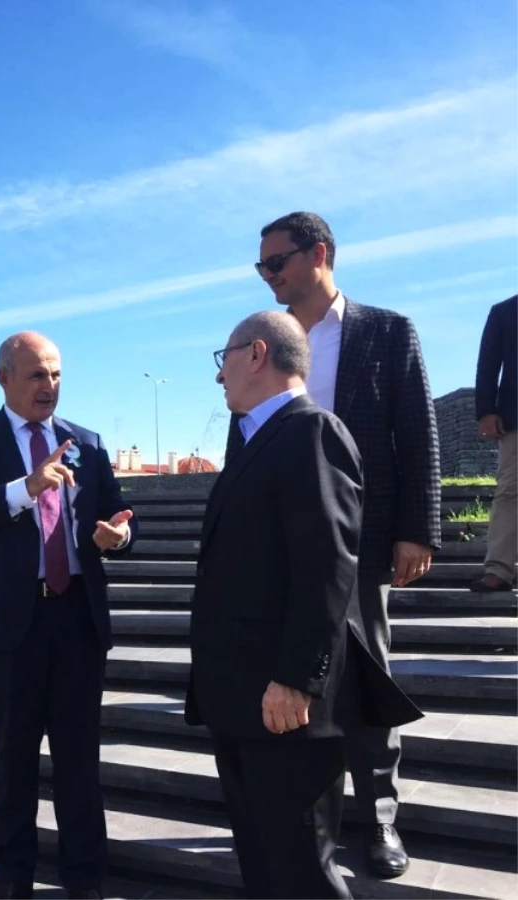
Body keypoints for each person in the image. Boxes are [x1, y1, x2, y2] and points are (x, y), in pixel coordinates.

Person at [225, 212, 440, 878]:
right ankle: (310, 821)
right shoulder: (267, 342)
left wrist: (416, 529)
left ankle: (378, 821)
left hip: (365, 540)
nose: (268, 276)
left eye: (277, 262)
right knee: (295, 678)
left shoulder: (384, 331)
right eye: (261, 266)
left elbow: (418, 432)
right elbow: (245, 438)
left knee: (366, 680)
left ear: (319, 254)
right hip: (279, 548)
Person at [192, 310, 423, 900]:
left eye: (224, 360)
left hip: (286, 703)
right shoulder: (255, 438)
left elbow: (327, 566)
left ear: (256, 354)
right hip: (243, 697)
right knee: (264, 862)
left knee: (301, 871)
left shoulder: (311, 431)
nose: (219, 378)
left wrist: (297, 678)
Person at [0, 331, 136, 900]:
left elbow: (119, 514)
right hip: (11, 625)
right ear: (4, 377)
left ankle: (85, 880)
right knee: (14, 758)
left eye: (55, 374)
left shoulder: (85, 442)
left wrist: (118, 535)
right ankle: (12, 879)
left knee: (79, 760)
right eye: (35, 375)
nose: (48, 386)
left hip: (76, 617)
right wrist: (24, 489)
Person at [470, 291, 518, 592]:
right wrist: (486, 410)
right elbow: (487, 365)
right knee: (510, 491)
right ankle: (499, 569)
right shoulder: (505, 312)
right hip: (516, 419)